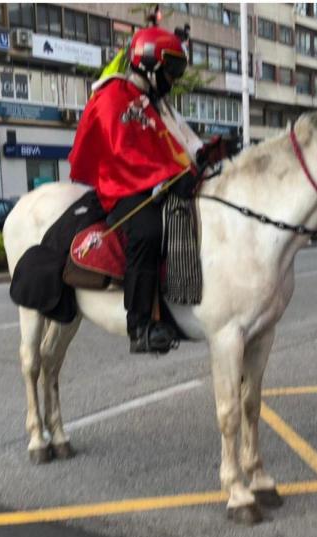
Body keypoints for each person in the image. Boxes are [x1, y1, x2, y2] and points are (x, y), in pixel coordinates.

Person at [69, 24, 227, 354]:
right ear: (150, 63)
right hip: (122, 187)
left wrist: (208, 154)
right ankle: (139, 325)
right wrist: (168, 177)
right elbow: (124, 152)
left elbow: (179, 142)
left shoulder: (153, 102)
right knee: (149, 231)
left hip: (156, 182)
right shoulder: (113, 95)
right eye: (172, 69)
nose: (175, 78)